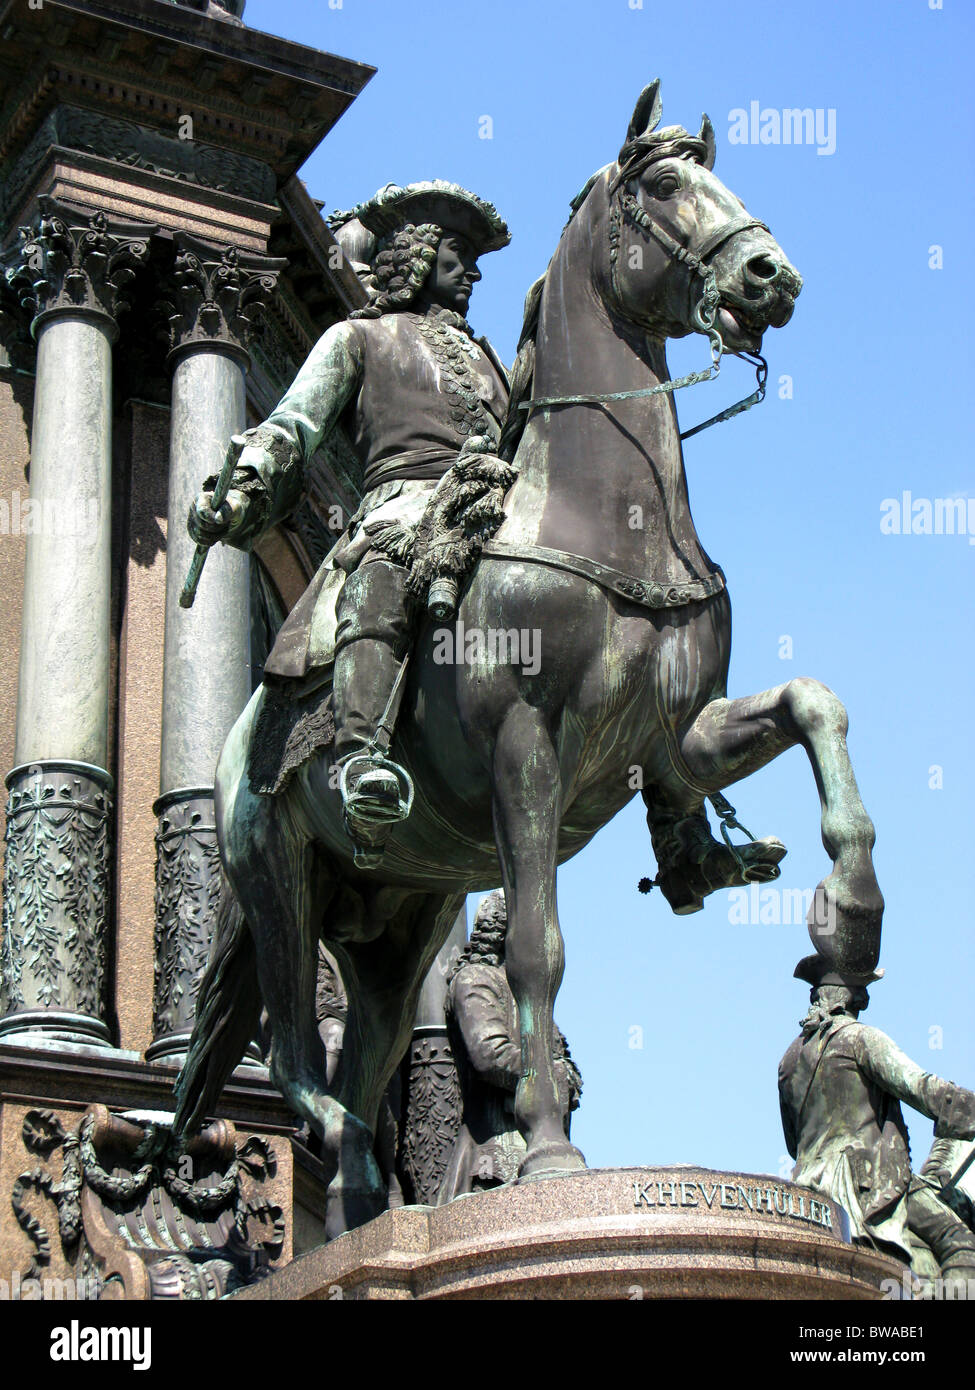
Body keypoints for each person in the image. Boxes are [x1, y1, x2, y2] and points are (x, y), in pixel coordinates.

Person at [188, 181, 510, 865]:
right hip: (402, 503)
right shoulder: (356, 338)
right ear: (418, 257)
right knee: (379, 579)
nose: (474, 272)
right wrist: (240, 488)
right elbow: (290, 425)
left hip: (491, 502)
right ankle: (362, 756)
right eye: (460, 255)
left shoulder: (490, 363)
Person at [778, 958, 975, 1277]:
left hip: (811, 1195)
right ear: (850, 997)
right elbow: (922, 1088)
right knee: (960, 1242)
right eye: (862, 989)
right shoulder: (860, 1038)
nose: (866, 997)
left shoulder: (788, 1060)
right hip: (870, 1186)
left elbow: (793, 1143)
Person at [437, 890, 582, 1202]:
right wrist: (552, 1072)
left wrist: (563, 1073)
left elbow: (566, 1066)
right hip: (492, 1161)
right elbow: (489, 1055)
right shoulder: (476, 979)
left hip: (539, 1154)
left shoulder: (531, 999)